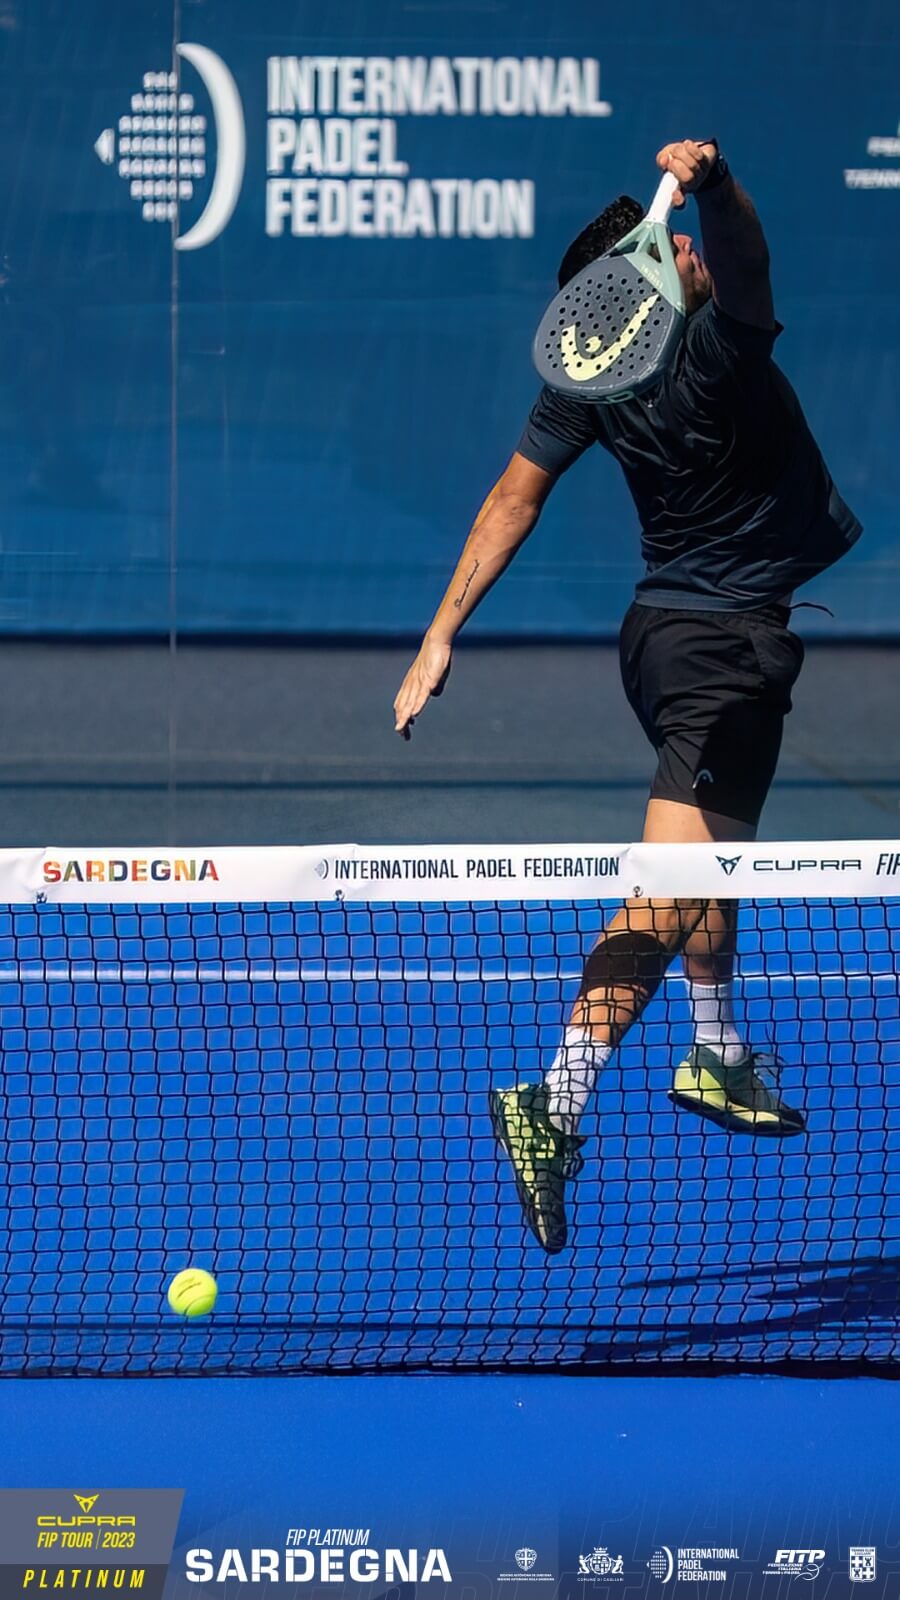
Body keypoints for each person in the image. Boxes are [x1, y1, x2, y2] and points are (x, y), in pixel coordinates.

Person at [392, 139, 861, 1254]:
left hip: (670, 641)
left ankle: (718, 1048)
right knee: (671, 888)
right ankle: (551, 1104)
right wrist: (721, 183)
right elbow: (747, 261)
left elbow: (512, 498)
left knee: (711, 858)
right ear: (636, 291)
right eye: (668, 250)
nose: (685, 251)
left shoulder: (587, 382)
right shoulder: (713, 357)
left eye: (682, 240)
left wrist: (440, 633)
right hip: (721, 655)